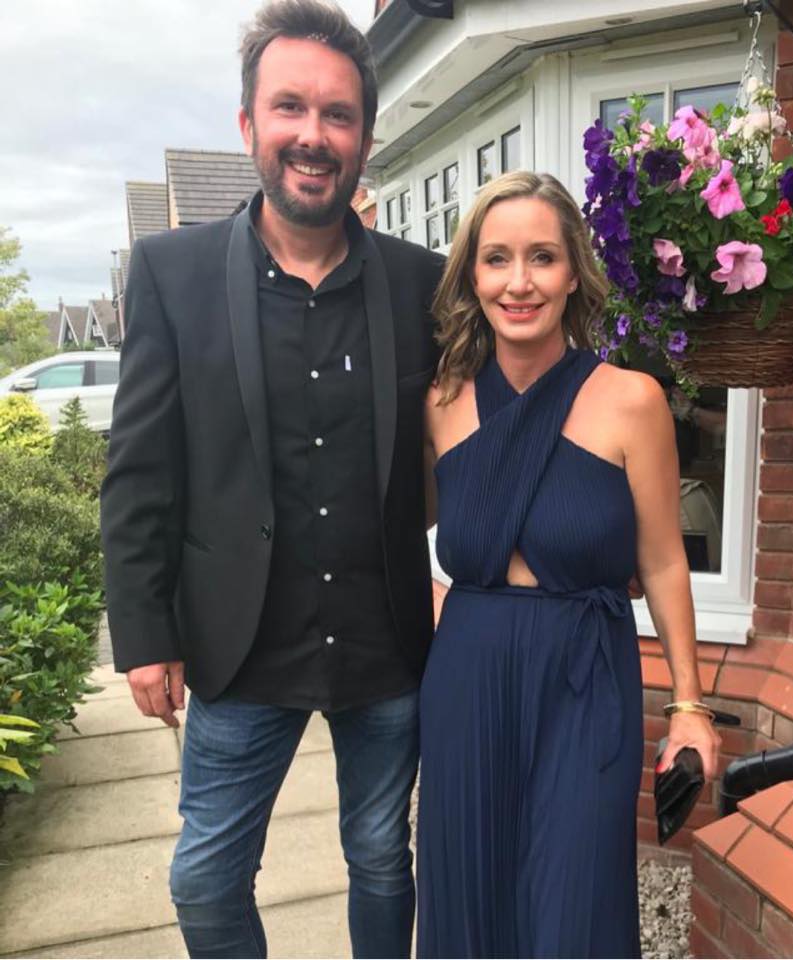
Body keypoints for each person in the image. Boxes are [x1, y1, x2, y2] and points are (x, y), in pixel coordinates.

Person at [100, 2, 444, 957]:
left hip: (384, 645)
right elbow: (139, 470)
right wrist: (144, 632)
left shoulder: (423, 284)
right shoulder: (173, 273)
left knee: (382, 855)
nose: (314, 134)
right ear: (249, 124)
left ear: (365, 139)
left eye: (338, 115)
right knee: (205, 879)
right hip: (237, 641)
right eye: (290, 107)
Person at [417, 171, 721, 958]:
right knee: (470, 889)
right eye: (497, 259)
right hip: (468, 678)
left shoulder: (632, 400)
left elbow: (660, 561)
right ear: (471, 276)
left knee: (574, 905)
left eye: (542, 258)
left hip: (587, 679)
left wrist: (690, 705)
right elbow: (389, 530)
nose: (519, 282)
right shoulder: (440, 403)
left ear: (574, 273)